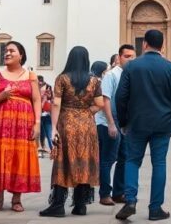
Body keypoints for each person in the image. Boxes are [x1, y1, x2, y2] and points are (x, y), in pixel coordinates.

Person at [115, 29, 171, 221]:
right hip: (162, 123)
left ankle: (130, 200)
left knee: (132, 161)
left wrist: (123, 121)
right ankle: (155, 208)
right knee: (159, 163)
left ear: (144, 44)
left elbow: (121, 97)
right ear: (162, 46)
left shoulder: (131, 67)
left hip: (136, 123)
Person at [0, 41, 42, 212]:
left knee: (19, 157)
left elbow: (36, 100)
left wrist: (37, 123)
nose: (7, 53)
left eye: (12, 51)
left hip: (24, 123)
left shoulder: (30, 75)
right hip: (1, 123)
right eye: (5, 51)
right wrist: (2, 95)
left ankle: (16, 199)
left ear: (21, 55)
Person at [40, 46, 103, 217]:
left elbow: (56, 104)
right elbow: (100, 104)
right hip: (87, 126)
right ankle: (80, 204)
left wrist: (53, 128)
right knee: (83, 161)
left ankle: (58, 204)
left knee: (63, 161)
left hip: (67, 123)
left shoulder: (62, 78)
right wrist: (86, 112)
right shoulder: (94, 81)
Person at [98, 44, 136, 205]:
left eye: (132, 56)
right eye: (126, 56)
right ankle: (104, 193)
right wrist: (111, 123)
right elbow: (105, 100)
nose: (130, 59)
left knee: (124, 158)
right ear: (119, 57)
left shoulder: (133, 75)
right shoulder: (111, 75)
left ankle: (118, 192)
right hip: (108, 122)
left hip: (124, 123)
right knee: (108, 159)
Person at [39, 76, 53, 158]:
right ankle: (42, 148)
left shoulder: (48, 87)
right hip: (39, 114)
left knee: (49, 133)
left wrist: (47, 97)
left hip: (46, 114)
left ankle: (52, 150)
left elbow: (51, 98)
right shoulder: (35, 89)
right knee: (41, 134)